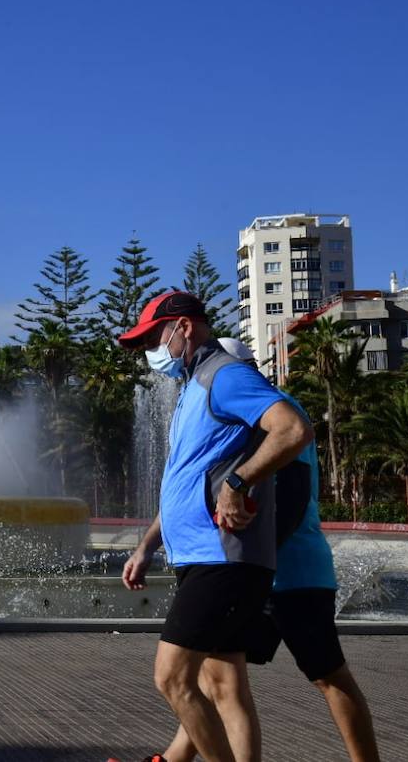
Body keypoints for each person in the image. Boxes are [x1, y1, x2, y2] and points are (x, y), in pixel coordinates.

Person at [124, 337, 380, 762]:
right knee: (216, 680)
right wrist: (150, 544)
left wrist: (252, 559)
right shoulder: (224, 417)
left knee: (327, 675)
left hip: (293, 575)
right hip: (246, 569)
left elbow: (294, 497)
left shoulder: (273, 411)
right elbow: (190, 490)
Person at [115, 291, 314, 762]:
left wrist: (240, 483)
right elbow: (187, 482)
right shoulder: (193, 387)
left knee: (171, 677)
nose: (150, 351)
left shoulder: (225, 375)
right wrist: (146, 546)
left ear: (183, 327)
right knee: (221, 684)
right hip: (202, 556)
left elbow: (292, 428)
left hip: (222, 558)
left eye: (153, 337)